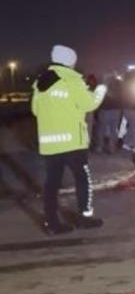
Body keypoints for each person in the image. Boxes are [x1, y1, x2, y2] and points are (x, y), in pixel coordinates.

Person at [31, 45, 106, 235]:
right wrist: (100, 90)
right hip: (72, 142)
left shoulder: (40, 83)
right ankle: (84, 218)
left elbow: (35, 110)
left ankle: (52, 224)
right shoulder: (72, 80)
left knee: (51, 184)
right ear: (70, 61)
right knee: (82, 179)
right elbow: (89, 103)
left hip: (50, 143)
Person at [95, 71, 124, 154]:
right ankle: (112, 147)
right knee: (113, 130)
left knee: (101, 129)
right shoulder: (118, 87)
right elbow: (122, 98)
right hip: (116, 110)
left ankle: (99, 147)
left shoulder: (102, 87)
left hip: (104, 110)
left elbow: (97, 99)